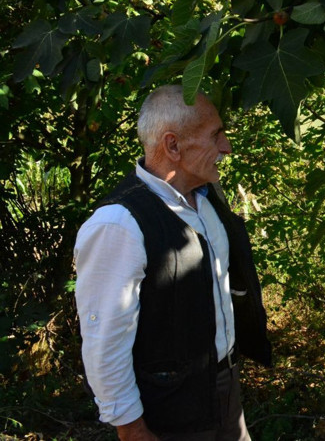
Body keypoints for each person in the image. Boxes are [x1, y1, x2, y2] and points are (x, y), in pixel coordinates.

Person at [75, 85, 271, 440]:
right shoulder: (119, 224)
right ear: (173, 146)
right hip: (169, 410)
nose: (226, 147)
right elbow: (105, 340)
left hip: (225, 389)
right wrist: (132, 429)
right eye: (216, 136)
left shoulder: (207, 199)